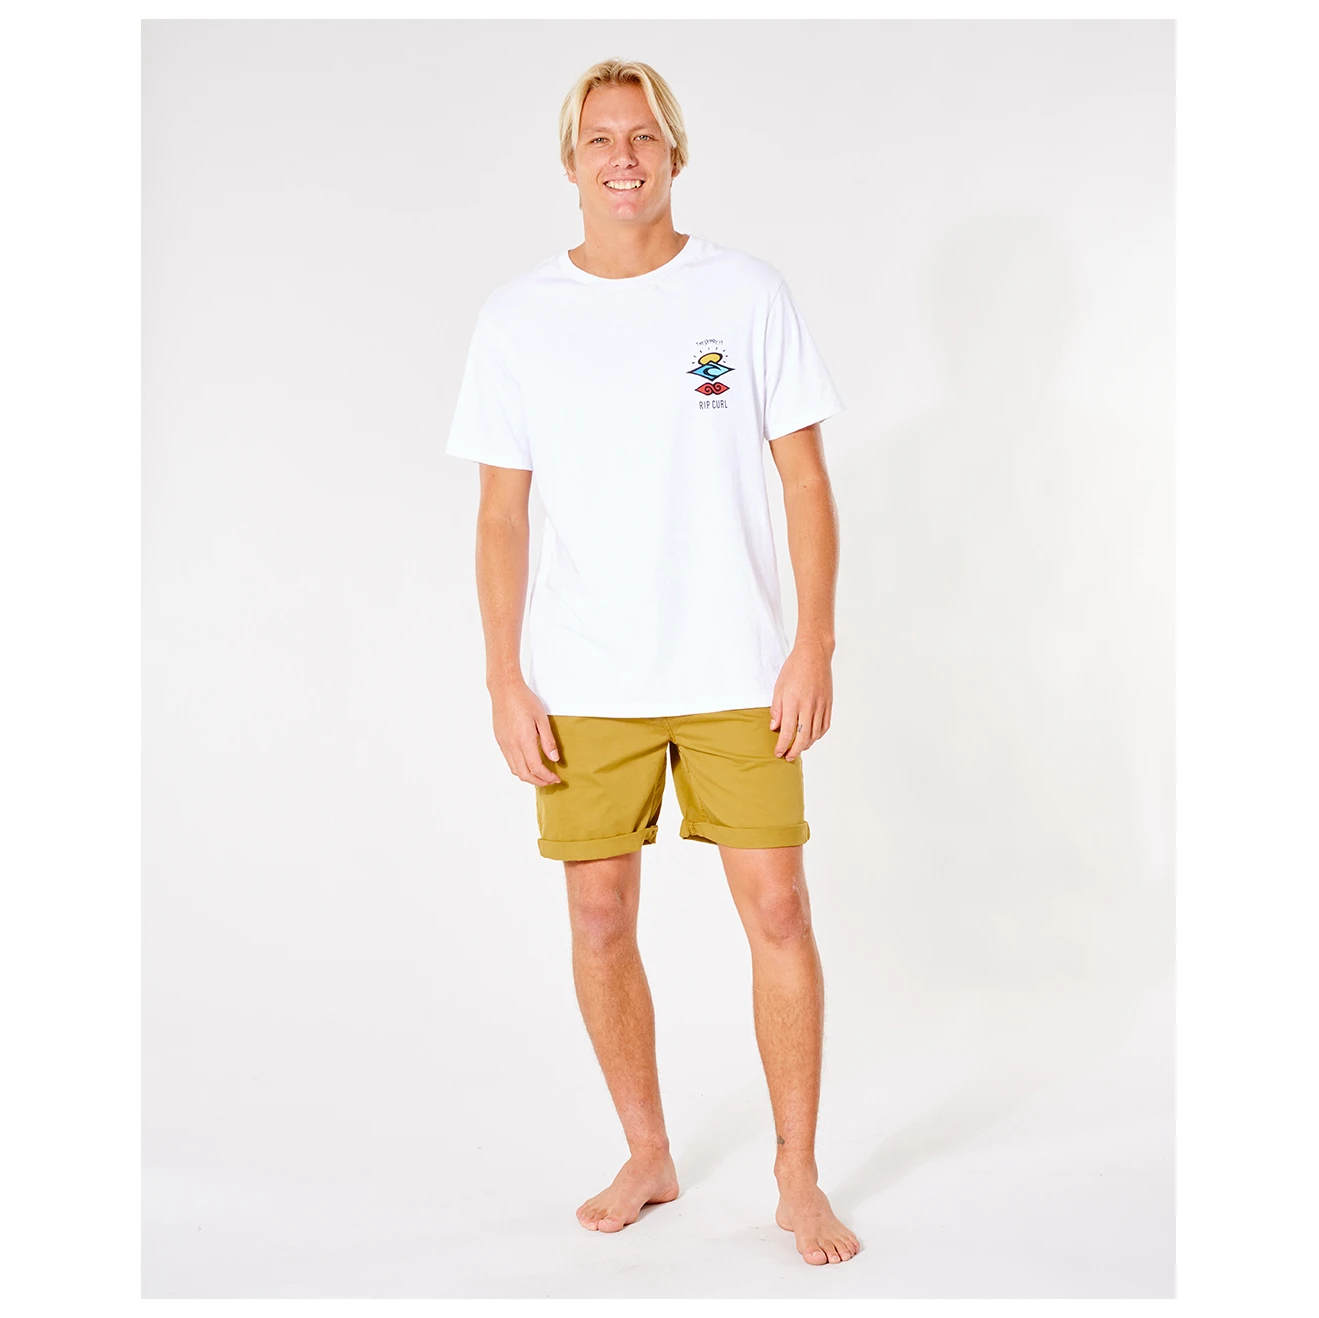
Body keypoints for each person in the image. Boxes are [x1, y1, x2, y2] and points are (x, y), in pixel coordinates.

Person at [445, 58, 858, 1267]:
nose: (621, 158)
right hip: (586, 675)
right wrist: (502, 677)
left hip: (738, 666)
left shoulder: (744, 294)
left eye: (641, 137)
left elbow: (803, 479)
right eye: (598, 140)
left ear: (674, 152)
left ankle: (796, 1174)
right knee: (597, 914)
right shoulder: (517, 318)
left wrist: (813, 640)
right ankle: (647, 1151)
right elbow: (500, 516)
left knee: (776, 905)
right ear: (568, 162)